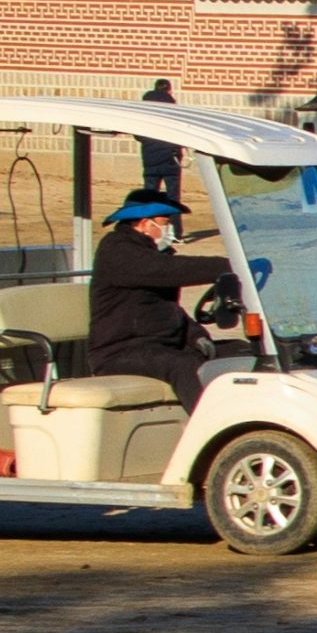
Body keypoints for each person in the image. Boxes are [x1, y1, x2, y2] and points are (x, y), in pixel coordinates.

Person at [89, 187, 234, 411]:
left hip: (159, 346)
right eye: (164, 223)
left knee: (239, 352)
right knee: (183, 366)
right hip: (119, 351)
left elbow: (166, 310)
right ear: (145, 223)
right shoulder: (117, 250)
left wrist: (195, 335)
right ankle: (213, 431)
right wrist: (231, 266)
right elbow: (168, 270)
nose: (168, 229)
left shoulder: (152, 254)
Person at [138, 79, 183, 211]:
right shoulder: (173, 109)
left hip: (150, 158)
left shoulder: (145, 109)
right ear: (168, 90)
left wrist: (148, 142)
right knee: (173, 198)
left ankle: (148, 227)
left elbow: (138, 133)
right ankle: (175, 230)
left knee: (150, 196)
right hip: (171, 158)